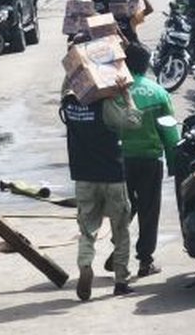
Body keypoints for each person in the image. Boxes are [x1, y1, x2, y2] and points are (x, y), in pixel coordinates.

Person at [60, 76, 142, 301]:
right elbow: (134, 122)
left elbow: (66, 86)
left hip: (84, 177)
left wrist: (72, 71)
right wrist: (126, 95)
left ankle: (85, 264)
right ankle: (120, 282)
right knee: (120, 230)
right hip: (112, 176)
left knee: (87, 228)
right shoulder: (104, 105)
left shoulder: (68, 104)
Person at [108, 41, 179, 278]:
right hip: (150, 159)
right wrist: (175, 162)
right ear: (147, 65)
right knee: (149, 210)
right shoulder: (159, 92)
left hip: (120, 160)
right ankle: (145, 261)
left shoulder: (112, 92)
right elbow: (169, 132)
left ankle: (118, 252)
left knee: (124, 209)